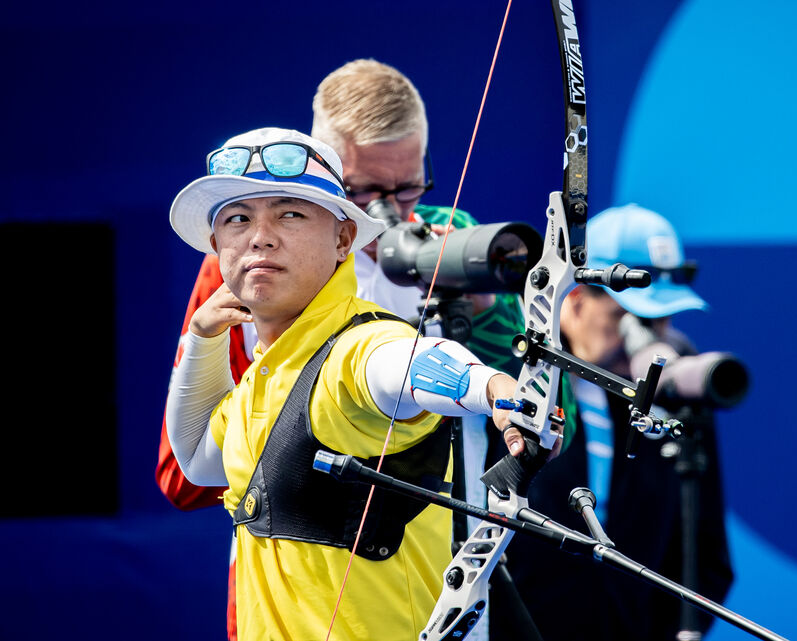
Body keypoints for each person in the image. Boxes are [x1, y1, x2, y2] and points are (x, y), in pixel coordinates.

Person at [154, 60, 524, 638]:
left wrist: (489, 352)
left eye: (407, 187)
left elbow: (402, 363)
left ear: (341, 231)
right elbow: (190, 471)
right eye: (365, 190)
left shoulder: (456, 241)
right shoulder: (253, 271)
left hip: (444, 578)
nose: (391, 211)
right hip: (281, 587)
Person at [499, 204, 734, 641]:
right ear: (574, 301)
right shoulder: (509, 374)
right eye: (630, 318)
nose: (648, 336)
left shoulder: (677, 385)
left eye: (660, 318)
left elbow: (704, 552)